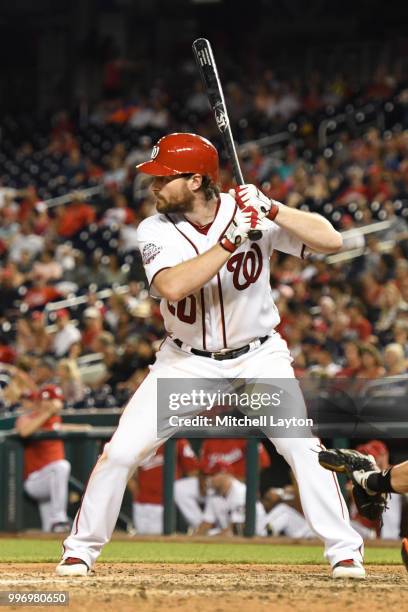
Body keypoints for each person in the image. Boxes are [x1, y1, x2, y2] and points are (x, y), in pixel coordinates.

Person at [57, 132, 364, 579]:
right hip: (187, 364)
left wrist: (272, 208)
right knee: (121, 452)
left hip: (258, 359)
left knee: (301, 447)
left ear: (198, 181)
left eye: (165, 178)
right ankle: (80, 550)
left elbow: (332, 242)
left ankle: (345, 551)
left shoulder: (250, 213)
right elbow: (172, 287)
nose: (154, 186)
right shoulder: (155, 228)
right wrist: (229, 241)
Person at [15, 385, 71, 532]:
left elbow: (66, 428)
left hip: (51, 481)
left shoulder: (55, 419)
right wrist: (47, 413)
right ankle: (60, 518)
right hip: (35, 481)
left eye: (58, 400)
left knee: (50, 531)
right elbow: (24, 431)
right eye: (53, 400)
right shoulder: (29, 418)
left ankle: (55, 527)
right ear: (43, 401)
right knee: (62, 466)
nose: (58, 404)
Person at [128, 438, 199, 534]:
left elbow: (193, 472)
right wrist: (135, 492)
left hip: (164, 505)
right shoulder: (140, 440)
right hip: (141, 503)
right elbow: (128, 471)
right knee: (141, 542)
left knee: (159, 543)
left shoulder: (178, 440)